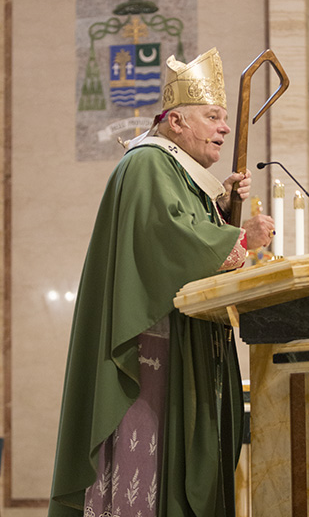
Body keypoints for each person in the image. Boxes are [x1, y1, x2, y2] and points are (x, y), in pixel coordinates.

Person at [48, 47, 275, 517]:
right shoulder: (149, 164)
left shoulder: (175, 172)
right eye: (213, 117)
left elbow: (189, 236)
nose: (225, 129)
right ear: (175, 122)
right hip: (150, 360)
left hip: (177, 351)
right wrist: (239, 237)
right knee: (144, 478)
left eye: (226, 118)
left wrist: (222, 208)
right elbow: (173, 246)